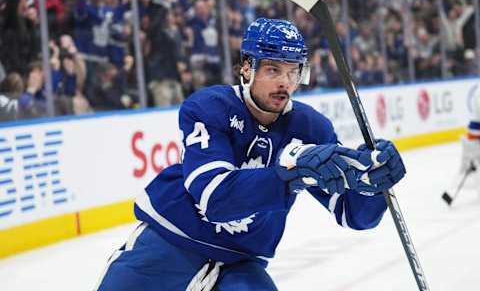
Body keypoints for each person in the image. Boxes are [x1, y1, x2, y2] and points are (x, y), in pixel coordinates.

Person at [95, 18, 406, 290]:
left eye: (293, 71)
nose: (285, 82)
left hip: (239, 263)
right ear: (247, 67)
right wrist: (293, 172)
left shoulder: (311, 127)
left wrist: (374, 182)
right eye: (273, 69)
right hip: (171, 241)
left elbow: (355, 214)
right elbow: (215, 199)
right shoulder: (209, 107)